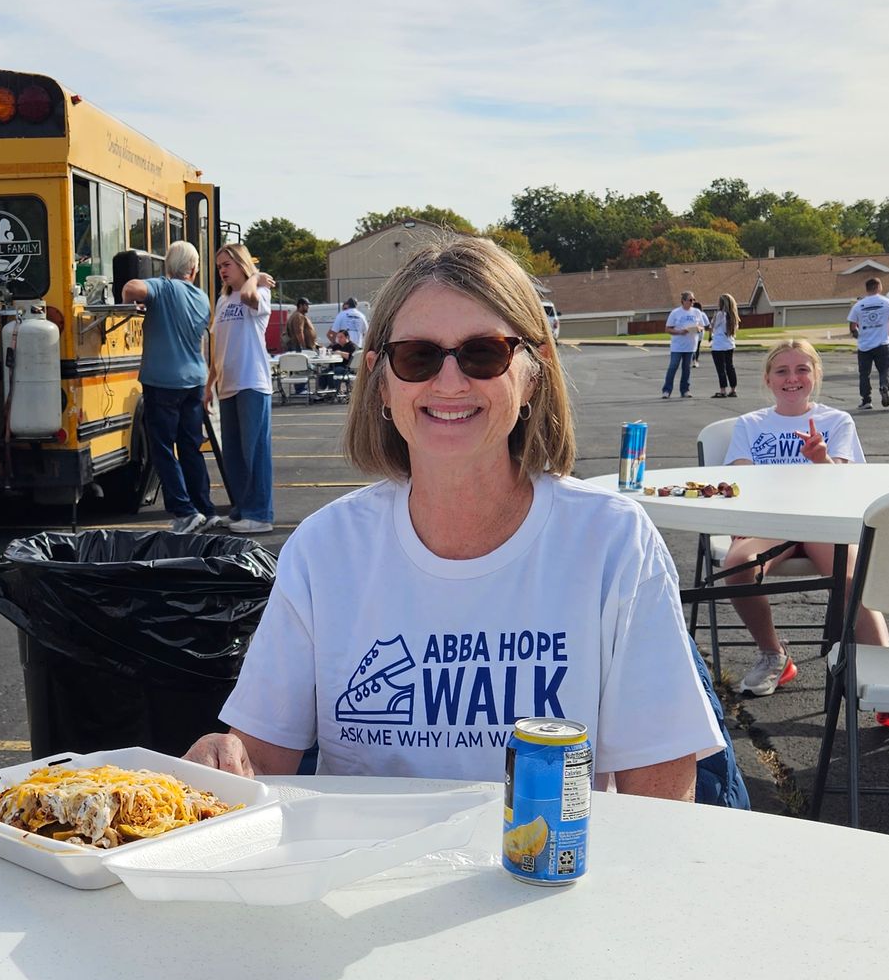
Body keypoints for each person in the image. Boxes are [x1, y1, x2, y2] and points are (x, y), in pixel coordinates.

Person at [183, 237, 722, 798]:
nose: (449, 383)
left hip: (545, 877)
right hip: (360, 877)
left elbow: (660, 787)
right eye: (416, 356)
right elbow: (261, 755)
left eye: (483, 353)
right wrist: (220, 759)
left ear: (532, 373)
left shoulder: (611, 541)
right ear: (381, 383)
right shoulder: (325, 549)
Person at [716, 340, 889, 726]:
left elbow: (847, 484)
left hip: (822, 518)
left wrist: (823, 460)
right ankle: (774, 655)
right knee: (737, 565)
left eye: (802, 369)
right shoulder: (751, 424)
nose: (792, 378)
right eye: (782, 371)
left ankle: (887, 677)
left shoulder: (836, 421)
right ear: (768, 379)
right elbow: (740, 480)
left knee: (853, 576)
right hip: (771, 521)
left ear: (816, 376)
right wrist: (741, 521)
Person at [123, 240, 220, 535]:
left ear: (169, 266)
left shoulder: (163, 288)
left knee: (163, 448)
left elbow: (131, 288)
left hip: (162, 381)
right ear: (193, 268)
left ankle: (184, 510)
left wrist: (133, 303)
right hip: (194, 379)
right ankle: (205, 507)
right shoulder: (202, 298)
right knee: (190, 447)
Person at [207, 242, 277, 534]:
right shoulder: (223, 301)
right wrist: (209, 384)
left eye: (227, 264)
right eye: (219, 266)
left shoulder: (258, 292)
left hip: (252, 381)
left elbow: (249, 295)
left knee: (255, 450)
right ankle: (241, 509)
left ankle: (260, 514)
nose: (222, 270)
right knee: (233, 454)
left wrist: (256, 277)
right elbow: (218, 346)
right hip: (228, 385)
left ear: (241, 264)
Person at [847, 276, 889, 410]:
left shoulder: (858, 305)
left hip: (864, 345)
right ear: (878, 287)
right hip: (882, 343)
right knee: (884, 370)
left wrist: (858, 335)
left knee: (864, 374)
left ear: (867, 288)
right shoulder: (887, 302)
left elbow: (852, 326)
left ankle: (866, 399)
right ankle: (884, 386)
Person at [660, 291, 708, 399]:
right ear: (683, 301)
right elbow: (667, 329)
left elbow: (702, 326)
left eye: (693, 300)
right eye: (690, 300)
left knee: (687, 368)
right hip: (678, 346)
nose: (692, 302)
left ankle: (685, 390)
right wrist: (680, 332)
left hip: (691, 346)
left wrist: (697, 329)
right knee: (673, 367)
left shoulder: (696, 312)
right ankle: (667, 390)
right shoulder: (675, 312)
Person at [708, 293, 739, 398]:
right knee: (730, 366)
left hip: (719, 345)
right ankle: (733, 389)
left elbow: (713, 326)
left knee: (721, 368)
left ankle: (723, 390)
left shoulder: (720, 314)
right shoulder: (733, 315)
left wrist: (713, 320)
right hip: (729, 344)